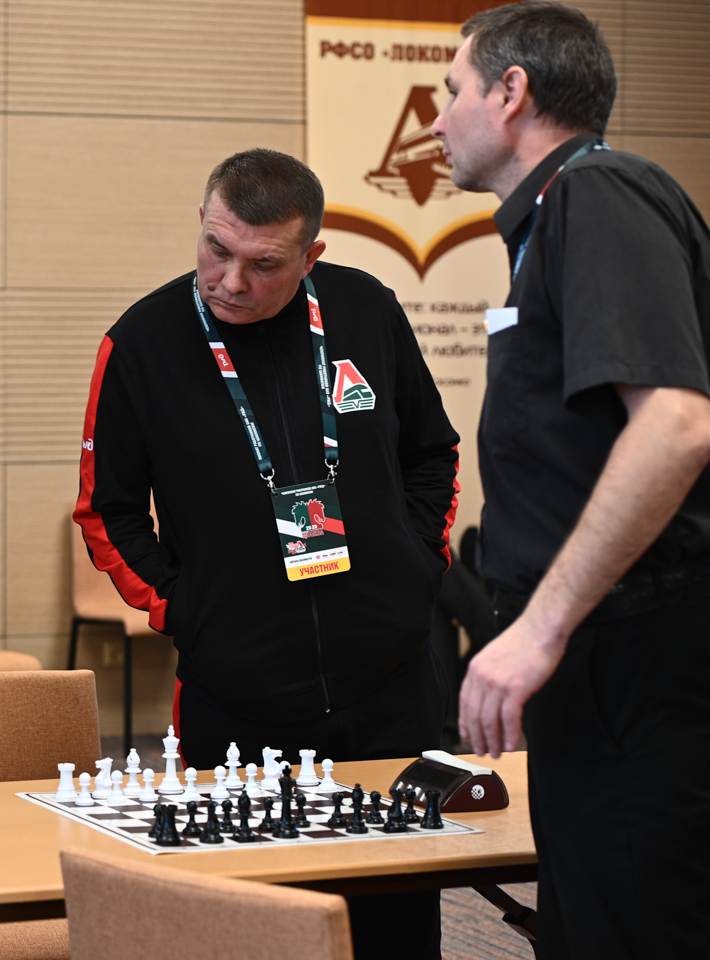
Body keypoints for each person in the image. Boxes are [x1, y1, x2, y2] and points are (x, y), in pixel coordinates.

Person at [74, 148, 460, 959]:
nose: (231, 281)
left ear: (310, 255)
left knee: (394, 927)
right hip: (238, 699)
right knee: (253, 933)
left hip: (391, 690)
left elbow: (434, 452)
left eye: (264, 264)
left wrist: (415, 566)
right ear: (202, 221)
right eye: (217, 249)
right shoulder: (142, 343)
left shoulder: (366, 309)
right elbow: (108, 511)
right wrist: (187, 611)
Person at [433, 4, 710, 957]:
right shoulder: (557, 215)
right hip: (595, 667)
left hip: (631, 663)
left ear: (511, 92)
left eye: (452, 91)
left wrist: (537, 630)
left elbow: (676, 425)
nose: (437, 119)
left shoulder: (599, 193)